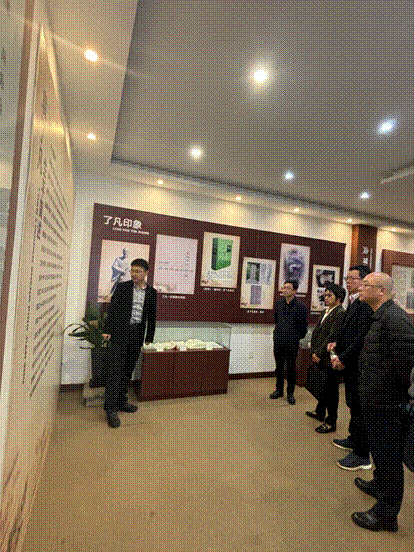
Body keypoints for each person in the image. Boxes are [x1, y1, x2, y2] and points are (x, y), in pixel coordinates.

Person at [351, 272, 414, 532]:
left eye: (366, 284)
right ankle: (379, 485)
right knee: (380, 452)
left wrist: (392, 396)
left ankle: (386, 515)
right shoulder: (381, 315)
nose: (360, 288)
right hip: (375, 400)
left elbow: (405, 365)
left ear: (381, 291)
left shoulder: (395, 319)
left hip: (387, 403)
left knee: (389, 458)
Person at [327, 265, 373, 470]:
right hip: (351, 363)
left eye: (353, 278)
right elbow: (348, 332)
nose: (348, 281)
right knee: (353, 404)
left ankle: (362, 455)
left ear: (365, 281)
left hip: (358, 364)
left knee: (360, 408)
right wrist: (337, 344)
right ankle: (354, 439)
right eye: (347, 278)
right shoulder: (354, 302)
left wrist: (343, 358)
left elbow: (360, 337)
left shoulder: (365, 304)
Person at [102, 258, 157, 428]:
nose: (134, 274)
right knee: (115, 371)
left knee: (127, 371)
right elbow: (112, 309)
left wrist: (149, 337)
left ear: (146, 273)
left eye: (138, 271)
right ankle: (110, 409)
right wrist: (107, 330)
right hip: (120, 333)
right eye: (132, 270)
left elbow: (152, 316)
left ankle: (121, 402)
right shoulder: (123, 287)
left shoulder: (152, 292)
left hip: (137, 334)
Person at [305, 282, 346, 433]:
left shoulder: (340, 313)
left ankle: (331, 421)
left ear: (339, 298)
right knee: (324, 386)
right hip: (319, 354)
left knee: (331, 390)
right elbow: (316, 333)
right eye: (325, 295)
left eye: (330, 295)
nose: (326, 297)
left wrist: (319, 353)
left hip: (329, 358)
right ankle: (319, 411)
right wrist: (313, 351)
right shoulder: (326, 311)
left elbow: (332, 336)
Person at [270, 280, 308, 404]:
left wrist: (294, 337)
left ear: (295, 291)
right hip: (278, 340)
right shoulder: (278, 303)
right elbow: (276, 320)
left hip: (292, 343)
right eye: (284, 287)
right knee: (279, 367)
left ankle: (290, 393)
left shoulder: (301, 306)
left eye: (288, 288)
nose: (285, 290)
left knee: (291, 368)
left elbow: (303, 328)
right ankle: (279, 390)